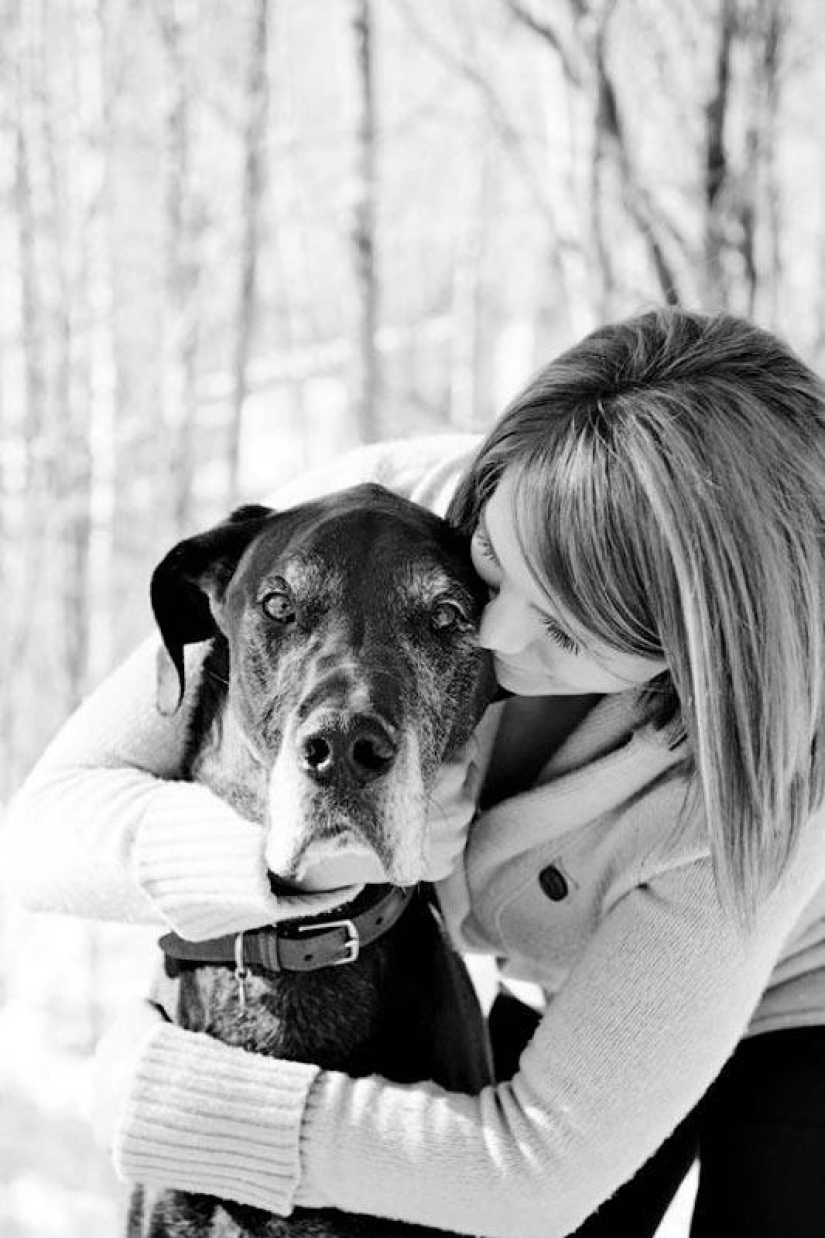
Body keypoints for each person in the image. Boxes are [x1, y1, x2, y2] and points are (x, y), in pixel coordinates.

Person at [6, 306, 825, 1238]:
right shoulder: (363, 529)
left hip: (799, 1000)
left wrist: (186, 1109)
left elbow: (533, 1175)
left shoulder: (771, 776)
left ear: (687, 650)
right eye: (491, 566)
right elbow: (41, 829)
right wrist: (273, 867)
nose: (494, 632)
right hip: (561, 979)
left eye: (566, 629)